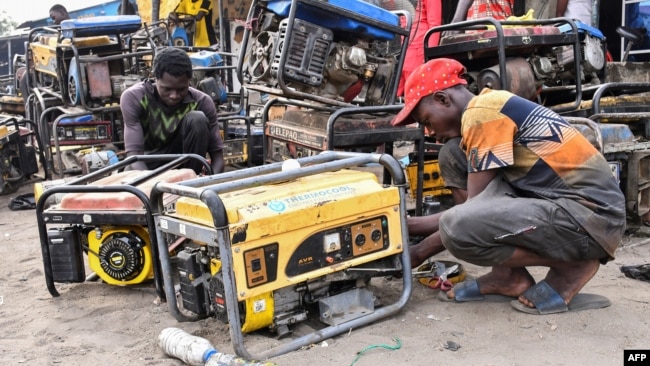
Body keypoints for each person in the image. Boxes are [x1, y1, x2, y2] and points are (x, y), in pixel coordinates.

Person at [391, 58, 626, 315]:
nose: (429, 133)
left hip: (591, 218)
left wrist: (413, 241)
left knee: (457, 229)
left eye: (426, 121)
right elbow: (480, 206)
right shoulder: (488, 105)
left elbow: (471, 212)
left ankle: (572, 266)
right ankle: (507, 276)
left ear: (442, 99)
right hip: (572, 208)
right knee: (452, 154)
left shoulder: (482, 114)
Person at [120, 47, 225, 174]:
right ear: (154, 77)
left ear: (189, 81)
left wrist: (206, 184)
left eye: (181, 89)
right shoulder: (134, 98)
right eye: (167, 89)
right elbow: (134, 157)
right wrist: (154, 187)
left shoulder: (202, 102)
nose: (174, 96)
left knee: (197, 119)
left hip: (186, 170)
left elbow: (218, 158)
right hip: (144, 168)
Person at [397, 0, 442, 97]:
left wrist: (429, 55)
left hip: (419, 48)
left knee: (415, 91)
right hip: (403, 47)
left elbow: (434, 24)